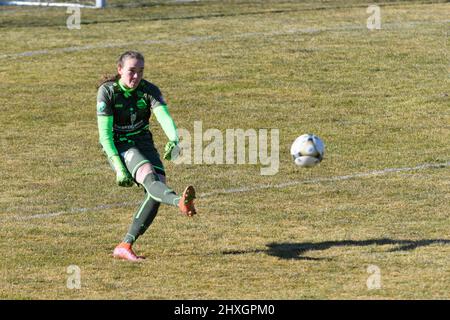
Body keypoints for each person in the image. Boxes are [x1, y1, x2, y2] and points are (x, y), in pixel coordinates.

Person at [96, 50, 196, 262]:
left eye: (140, 72)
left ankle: (125, 245)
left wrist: (174, 140)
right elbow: (105, 136)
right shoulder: (108, 92)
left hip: (144, 142)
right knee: (149, 176)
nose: (136, 76)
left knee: (156, 189)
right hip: (121, 146)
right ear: (120, 70)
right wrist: (119, 167)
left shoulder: (149, 90)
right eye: (131, 71)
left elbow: (164, 116)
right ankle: (179, 202)